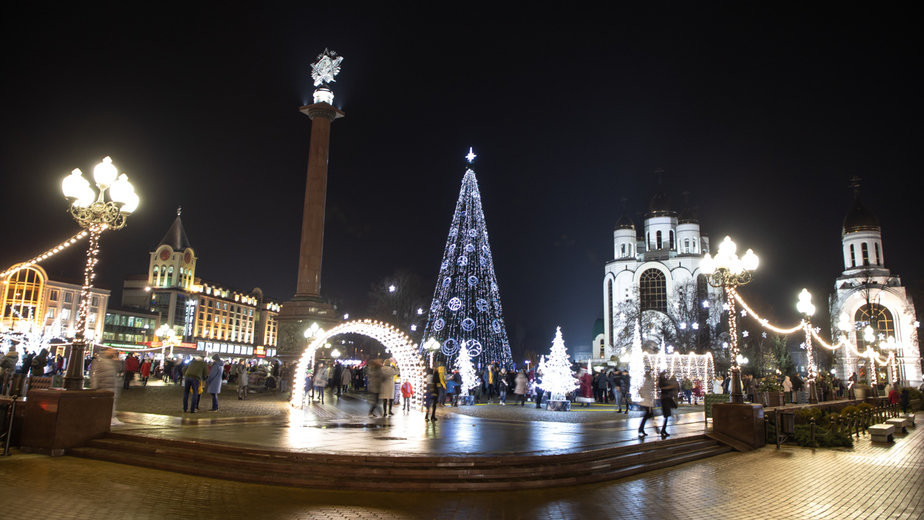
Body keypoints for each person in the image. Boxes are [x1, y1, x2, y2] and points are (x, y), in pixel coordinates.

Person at [90, 349, 122, 425]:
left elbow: (120, 369)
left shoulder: (112, 360)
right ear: (106, 351)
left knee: (112, 402)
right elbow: (94, 374)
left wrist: (116, 358)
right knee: (103, 403)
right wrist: (94, 386)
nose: (113, 351)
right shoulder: (99, 360)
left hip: (112, 385)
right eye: (110, 350)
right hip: (103, 385)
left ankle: (111, 417)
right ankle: (103, 418)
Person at [658, 371, 679, 437]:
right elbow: (662, 388)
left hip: (667, 398)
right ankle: (663, 430)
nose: (665, 375)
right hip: (665, 399)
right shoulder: (661, 382)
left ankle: (663, 430)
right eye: (663, 374)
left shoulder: (664, 380)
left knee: (667, 415)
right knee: (667, 415)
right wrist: (671, 386)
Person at [637, 369, 656, 437]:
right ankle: (655, 428)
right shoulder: (648, 382)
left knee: (648, 415)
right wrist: (651, 404)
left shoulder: (645, 381)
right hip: (647, 402)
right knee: (649, 415)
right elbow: (649, 393)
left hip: (646, 401)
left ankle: (641, 429)